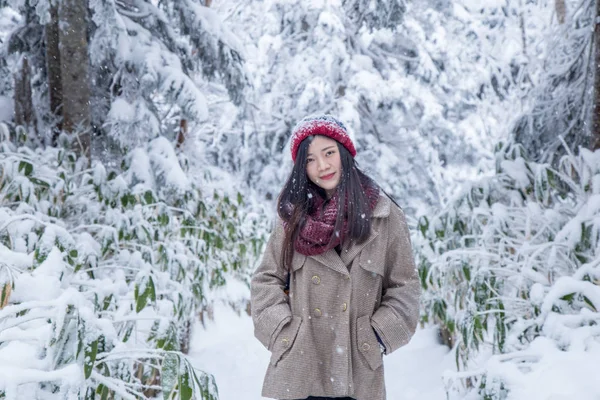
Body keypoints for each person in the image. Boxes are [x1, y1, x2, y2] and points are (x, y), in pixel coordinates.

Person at [250, 114, 421, 400]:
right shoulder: (292, 216)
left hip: (356, 367)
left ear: (345, 153)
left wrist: (375, 337)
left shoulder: (384, 215)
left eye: (329, 153)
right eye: (310, 160)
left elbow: (405, 289)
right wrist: (286, 333)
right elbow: (265, 280)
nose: (322, 166)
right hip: (301, 365)